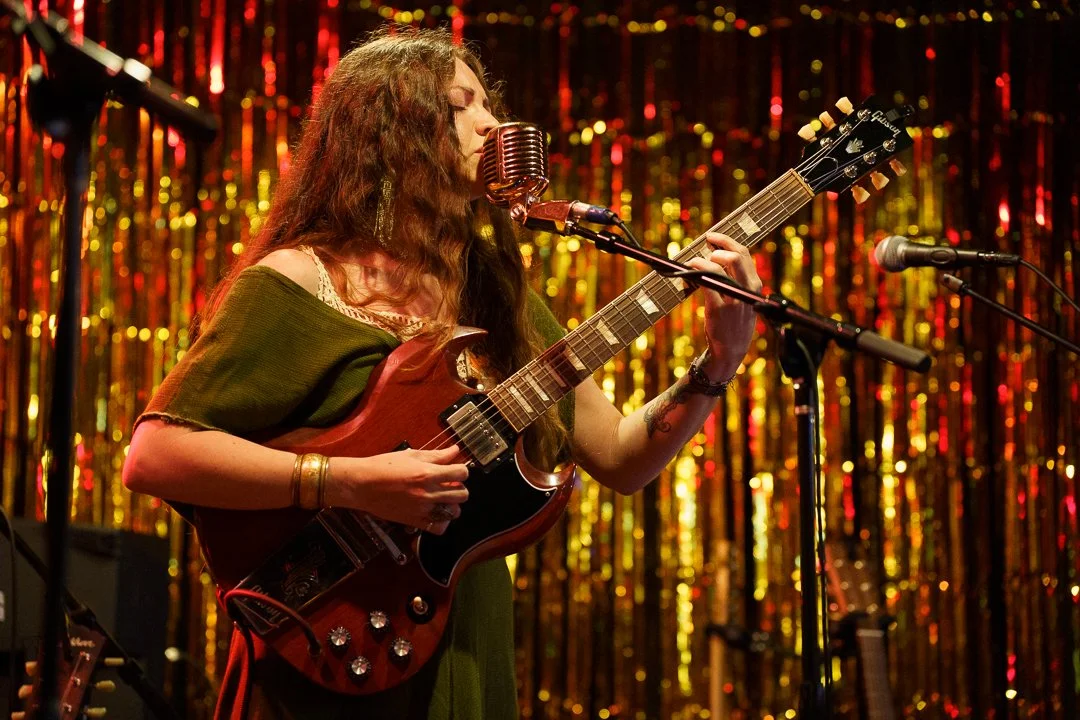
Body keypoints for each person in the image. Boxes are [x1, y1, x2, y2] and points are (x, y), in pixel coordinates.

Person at [122, 27, 762, 720]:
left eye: (487, 103)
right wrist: (352, 482)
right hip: (328, 638)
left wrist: (714, 366)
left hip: (461, 639)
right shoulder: (299, 281)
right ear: (390, 129)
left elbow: (621, 456)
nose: (491, 122)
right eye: (463, 104)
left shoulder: (494, 293)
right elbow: (156, 454)